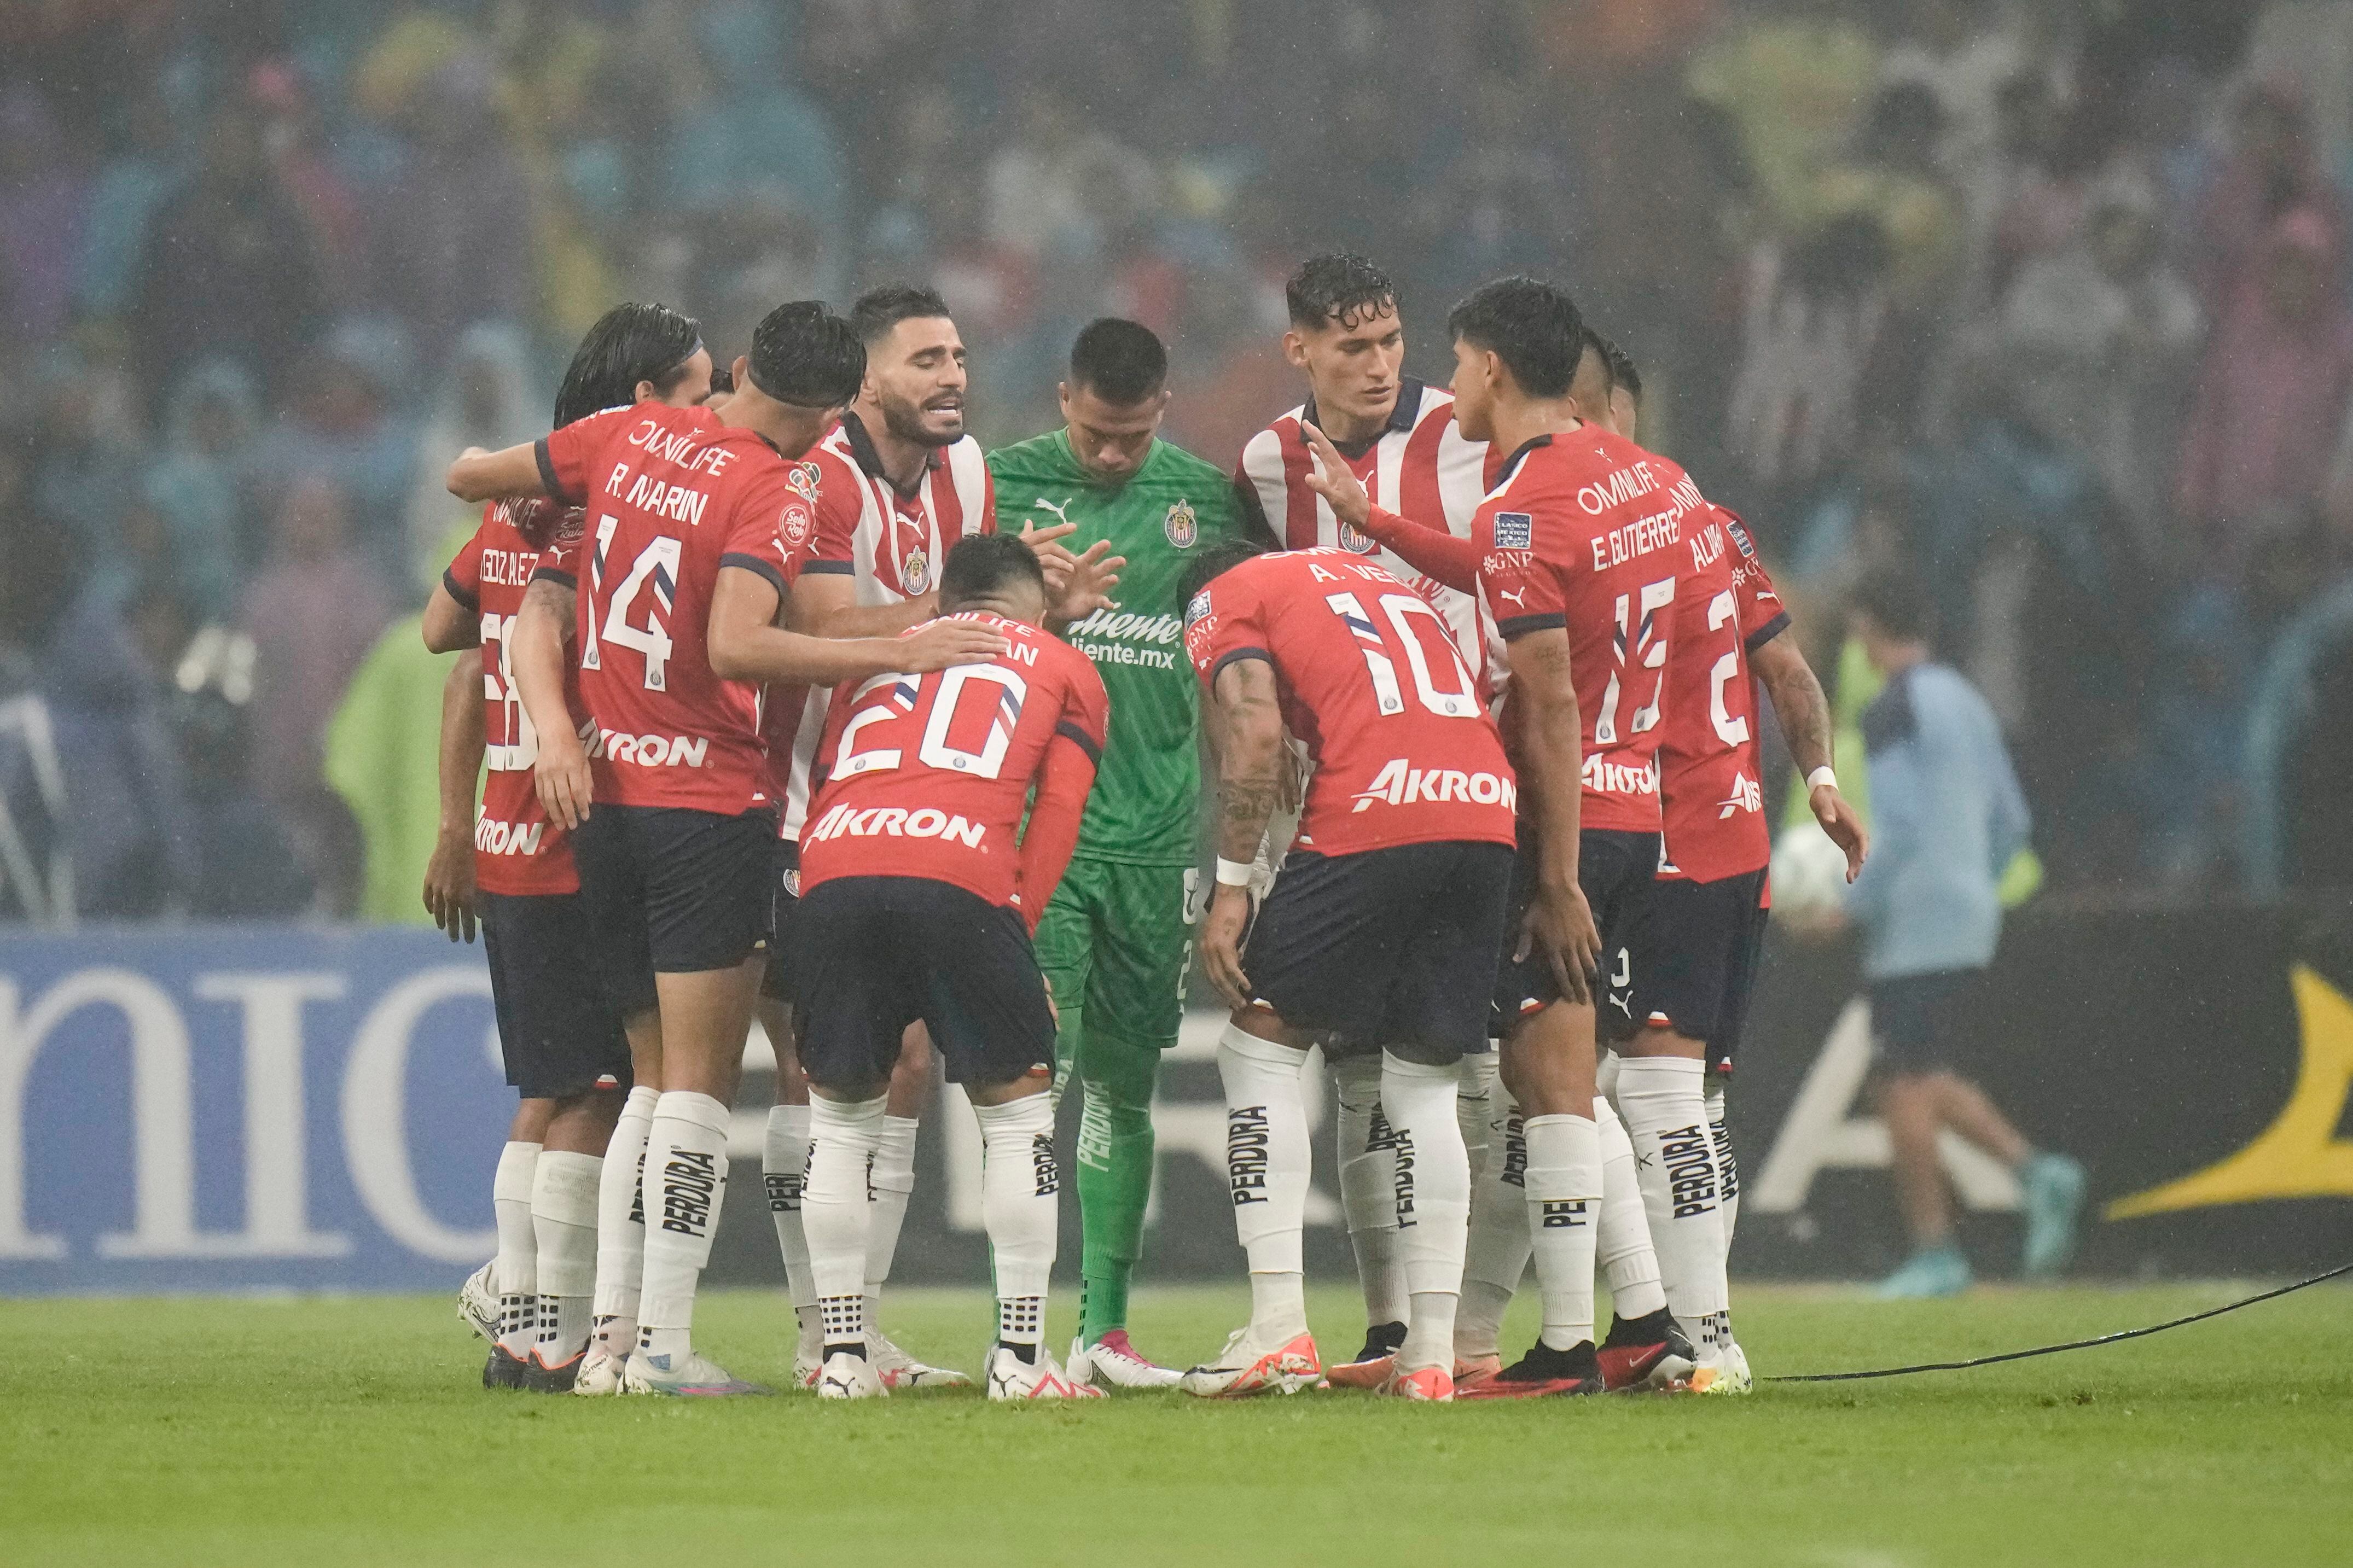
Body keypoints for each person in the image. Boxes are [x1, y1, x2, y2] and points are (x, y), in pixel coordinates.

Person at [445, 300, 1008, 1396]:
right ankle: (654, 1345)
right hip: (707, 803)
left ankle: (604, 1343)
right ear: (831, 407)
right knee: (696, 1095)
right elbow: (738, 644)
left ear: (745, 366)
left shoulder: (625, 435)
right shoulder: (779, 485)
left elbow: (475, 477)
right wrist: (906, 652)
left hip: (604, 808)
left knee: (643, 1085)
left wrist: (528, 500)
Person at [763, 284, 1114, 1390]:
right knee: (835, 1087)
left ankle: (854, 1345)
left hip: (855, 827)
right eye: (925, 360)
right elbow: (821, 627)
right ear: (865, 381)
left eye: (959, 355)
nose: (953, 375)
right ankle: (862, 1337)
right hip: (804, 794)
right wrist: (1004, 622)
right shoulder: (819, 478)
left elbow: (969, 618)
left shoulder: (969, 477)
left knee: (873, 1082)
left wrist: (1014, 609)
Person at [422, 301, 714, 1392]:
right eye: (696, 388)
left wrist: (459, 820)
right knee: (603, 1086)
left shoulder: (516, 516)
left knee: (549, 1090)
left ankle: (523, 1321)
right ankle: (562, 1328)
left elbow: (445, 641)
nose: (712, 407)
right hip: (573, 832)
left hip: (505, 833)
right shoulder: (615, 524)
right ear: (646, 403)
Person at [1577, 341, 1866, 1394]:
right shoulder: (1716, 528)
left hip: (1655, 834)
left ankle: (1698, 1335)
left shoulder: (1588, 525)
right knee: (1679, 1095)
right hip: (1735, 838)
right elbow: (1785, 666)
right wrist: (1822, 780)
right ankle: (1669, 1326)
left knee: (1631, 1088)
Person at [1230, 253, 1496, 1385]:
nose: (1381, 366)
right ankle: (1398, 1333)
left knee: (1486, 1070)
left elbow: (1514, 590)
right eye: (1354, 347)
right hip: (1336, 795)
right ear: (1301, 351)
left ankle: (1503, 1327)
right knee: (1360, 1069)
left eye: (1391, 342)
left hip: (1472, 769)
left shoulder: (1466, 439)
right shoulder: (1264, 462)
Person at [984, 318, 1258, 1390]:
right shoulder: (998, 491)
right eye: (1096, 434)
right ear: (1064, 399)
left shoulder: (1204, 502)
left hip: (1154, 841)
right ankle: (1021, 1331)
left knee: (1123, 1086)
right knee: (1028, 1086)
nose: (1111, 456)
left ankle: (1104, 1332)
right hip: (1034, 837)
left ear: (1163, 411)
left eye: (1131, 438)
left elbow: (1243, 667)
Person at [1177, 540, 1517, 1401]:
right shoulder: (1372, 578)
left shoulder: (1224, 596)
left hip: (1379, 808)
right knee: (1425, 1079)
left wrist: (1229, 890)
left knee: (1255, 1049)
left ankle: (1277, 1328)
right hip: (1484, 815)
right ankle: (1431, 1355)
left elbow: (1252, 732)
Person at [792, 534, 1108, 1402]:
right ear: (1035, 604)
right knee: (1014, 1121)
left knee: (841, 1126)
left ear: (943, 601)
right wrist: (1018, 930)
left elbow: (825, 782)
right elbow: (1060, 814)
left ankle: (844, 1362)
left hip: (833, 873)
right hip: (963, 876)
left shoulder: (876, 663)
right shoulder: (1061, 663)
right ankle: (1017, 1360)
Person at [1839, 569, 2085, 1298]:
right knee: (1918, 1072)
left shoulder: (1891, 709)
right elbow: (2012, 821)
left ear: (1864, 630)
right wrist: (1969, 880)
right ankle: (2037, 1173)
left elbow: (1902, 829)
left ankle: (1936, 1253)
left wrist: (1843, 904)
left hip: (1914, 919)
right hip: (1967, 910)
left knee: (1903, 1086)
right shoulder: (1966, 702)